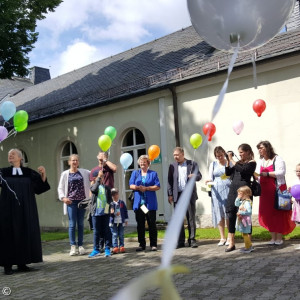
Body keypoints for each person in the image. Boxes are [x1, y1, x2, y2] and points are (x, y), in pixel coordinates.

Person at [0, 149, 50, 275]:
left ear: (20, 158)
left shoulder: (28, 172)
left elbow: (39, 188)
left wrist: (43, 174)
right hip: (8, 210)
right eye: (9, 155)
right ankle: (8, 265)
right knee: (8, 235)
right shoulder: (3, 172)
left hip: (25, 210)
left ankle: (22, 263)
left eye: (13, 154)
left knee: (24, 233)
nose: (10, 156)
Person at [256, 141, 295, 245]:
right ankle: (272, 237)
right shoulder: (261, 161)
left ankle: (279, 237)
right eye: (258, 148)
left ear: (267, 148)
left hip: (276, 190)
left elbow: (281, 172)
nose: (260, 150)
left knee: (277, 213)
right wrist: (256, 177)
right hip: (264, 192)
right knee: (267, 214)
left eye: (261, 148)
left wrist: (267, 174)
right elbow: (258, 175)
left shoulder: (277, 159)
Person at [168, 147, 202, 248]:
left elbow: (199, 176)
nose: (175, 157)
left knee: (190, 217)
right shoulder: (172, 166)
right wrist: (170, 194)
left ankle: (192, 239)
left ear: (182, 154)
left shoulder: (192, 164)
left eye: (177, 155)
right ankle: (180, 241)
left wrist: (194, 176)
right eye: (174, 155)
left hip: (189, 194)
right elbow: (169, 181)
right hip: (177, 195)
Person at [225, 144, 256, 252]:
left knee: (245, 217)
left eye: (242, 152)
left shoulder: (252, 163)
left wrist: (232, 159)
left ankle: (248, 244)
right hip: (234, 191)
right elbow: (228, 172)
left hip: (245, 192)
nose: (240, 154)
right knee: (231, 214)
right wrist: (228, 161)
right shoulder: (237, 163)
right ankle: (231, 243)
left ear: (248, 152)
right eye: (239, 153)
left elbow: (243, 170)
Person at [58, 154, 91, 256]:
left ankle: (80, 246)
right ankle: (73, 246)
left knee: (80, 224)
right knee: (72, 224)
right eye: (73, 160)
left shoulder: (84, 172)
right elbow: (60, 188)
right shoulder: (65, 174)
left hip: (82, 202)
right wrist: (63, 198)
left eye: (76, 160)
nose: (75, 162)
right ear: (69, 162)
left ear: (78, 162)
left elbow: (94, 174)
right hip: (71, 202)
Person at [129, 155, 160, 251]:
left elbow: (157, 186)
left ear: (148, 163)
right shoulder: (135, 173)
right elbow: (131, 185)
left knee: (152, 224)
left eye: (144, 162)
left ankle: (153, 244)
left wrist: (146, 188)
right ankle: (141, 244)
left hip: (149, 204)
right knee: (140, 225)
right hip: (139, 204)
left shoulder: (153, 174)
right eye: (141, 162)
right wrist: (138, 188)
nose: (142, 164)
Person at [89, 151, 117, 250]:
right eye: (100, 156)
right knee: (99, 224)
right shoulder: (94, 170)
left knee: (107, 223)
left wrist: (106, 161)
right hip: (97, 201)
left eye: (104, 156)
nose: (101, 158)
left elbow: (115, 168)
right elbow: (92, 186)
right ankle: (100, 245)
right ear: (97, 157)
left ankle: (109, 245)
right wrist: (90, 202)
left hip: (107, 200)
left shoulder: (109, 167)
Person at [205, 146, 231, 246]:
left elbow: (232, 174)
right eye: (217, 156)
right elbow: (210, 177)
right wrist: (208, 181)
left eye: (221, 155)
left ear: (224, 153)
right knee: (219, 213)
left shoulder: (229, 162)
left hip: (227, 189)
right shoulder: (213, 164)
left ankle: (229, 236)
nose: (219, 157)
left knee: (227, 213)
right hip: (216, 191)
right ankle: (222, 237)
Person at [89, 170, 112, 257]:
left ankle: (107, 248)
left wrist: (107, 210)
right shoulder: (93, 186)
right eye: (99, 177)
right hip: (95, 213)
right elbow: (94, 190)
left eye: (102, 177)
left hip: (105, 212)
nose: (101, 179)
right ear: (95, 178)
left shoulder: (107, 188)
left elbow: (109, 200)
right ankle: (96, 249)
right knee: (96, 231)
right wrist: (98, 179)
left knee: (106, 230)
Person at [109, 188, 128, 254]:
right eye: (113, 195)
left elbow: (125, 211)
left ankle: (122, 246)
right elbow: (107, 212)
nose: (115, 196)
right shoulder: (110, 203)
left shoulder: (122, 202)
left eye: (116, 194)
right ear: (111, 196)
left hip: (121, 220)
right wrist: (111, 212)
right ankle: (115, 247)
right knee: (114, 234)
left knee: (121, 234)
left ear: (118, 194)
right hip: (113, 221)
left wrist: (126, 219)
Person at [235, 186, 254, 253]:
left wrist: (240, 212)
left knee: (245, 234)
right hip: (242, 220)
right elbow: (236, 204)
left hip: (245, 221)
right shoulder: (243, 201)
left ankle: (248, 247)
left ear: (245, 194)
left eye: (240, 194)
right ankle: (249, 245)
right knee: (244, 233)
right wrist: (238, 198)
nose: (239, 195)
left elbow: (249, 212)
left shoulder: (247, 202)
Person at [290, 163, 300, 249]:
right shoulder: (295, 181)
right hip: (297, 205)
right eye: (297, 171)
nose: (298, 173)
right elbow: (294, 191)